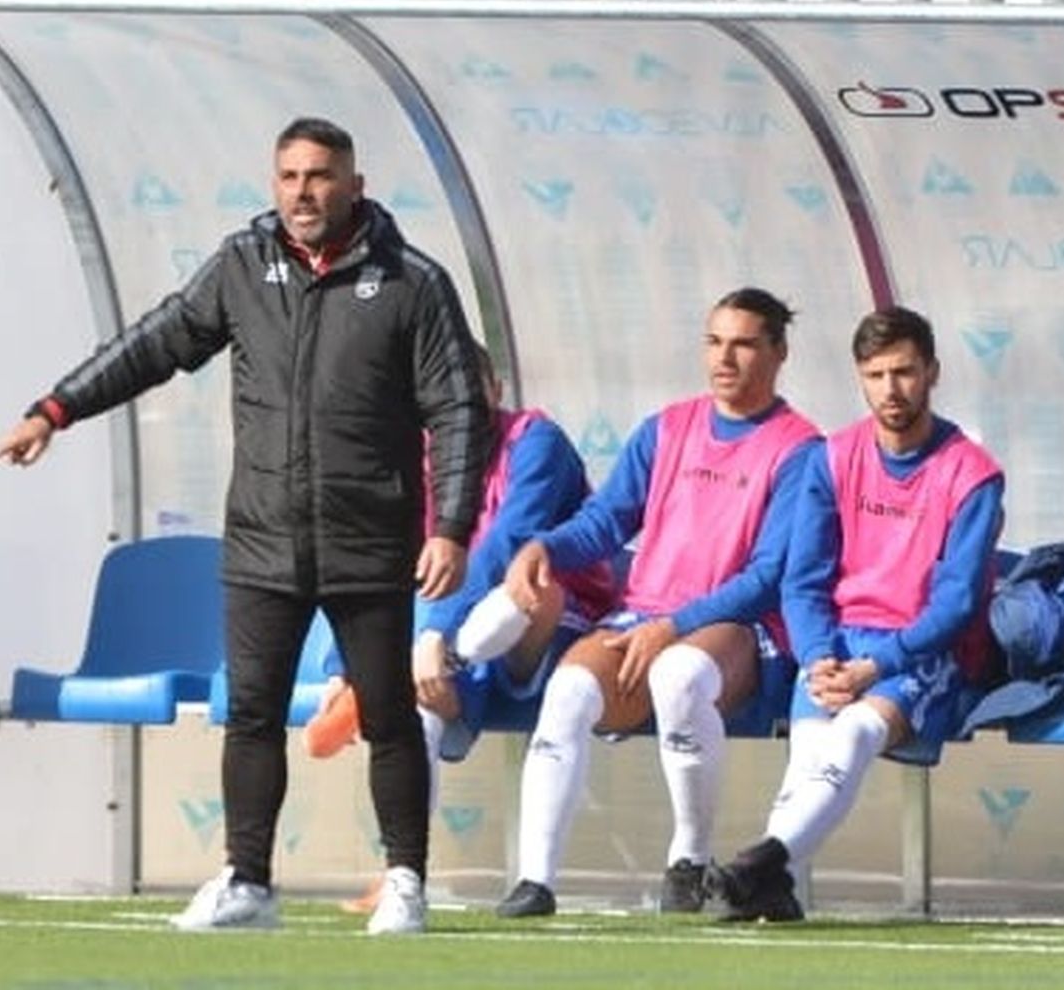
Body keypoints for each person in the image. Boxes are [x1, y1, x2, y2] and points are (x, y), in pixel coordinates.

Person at [0, 117, 492, 935]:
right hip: (262, 540)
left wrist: (453, 525)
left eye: (320, 176)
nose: (303, 192)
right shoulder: (242, 266)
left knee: (388, 714)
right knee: (251, 713)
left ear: (355, 186)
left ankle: (405, 881)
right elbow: (153, 345)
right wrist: (55, 410)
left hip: (369, 540)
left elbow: (458, 408)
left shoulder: (412, 281)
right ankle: (247, 882)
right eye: (289, 177)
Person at [494, 288, 821, 919]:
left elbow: (768, 577)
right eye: (714, 342)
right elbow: (604, 521)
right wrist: (544, 547)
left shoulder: (801, 448)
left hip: (738, 629)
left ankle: (688, 861)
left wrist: (673, 627)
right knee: (568, 693)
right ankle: (534, 882)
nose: (724, 358)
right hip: (643, 618)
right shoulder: (666, 428)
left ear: (779, 353)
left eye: (744, 344)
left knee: (679, 676)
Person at [706, 307, 1004, 922]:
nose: (891, 389)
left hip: (923, 652)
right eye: (876, 375)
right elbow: (803, 581)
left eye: (904, 372)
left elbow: (956, 604)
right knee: (808, 761)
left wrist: (877, 666)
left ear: (932, 373)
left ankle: (757, 867)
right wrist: (818, 655)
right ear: (860, 378)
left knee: (853, 734)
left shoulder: (972, 473)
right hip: (839, 647)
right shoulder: (833, 457)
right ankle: (772, 887)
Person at [303, 348, 616, 913]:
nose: (457, 410)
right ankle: (403, 874)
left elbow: (507, 545)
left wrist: (434, 636)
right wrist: (342, 663)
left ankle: (412, 671)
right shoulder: (413, 457)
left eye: (471, 393)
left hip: (543, 632)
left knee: (529, 587)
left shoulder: (536, 442)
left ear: (495, 389)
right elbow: (374, 558)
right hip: (454, 639)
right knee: (417, 707)